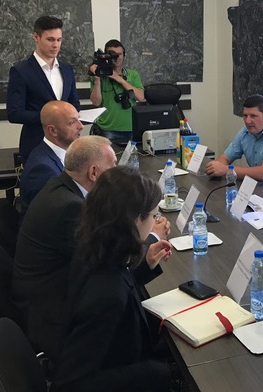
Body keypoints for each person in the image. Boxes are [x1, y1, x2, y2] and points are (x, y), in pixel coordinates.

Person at [11, 135, 171, 362]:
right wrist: (151, 235)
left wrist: (146, 261)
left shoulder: (63, 188)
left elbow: (114, 273)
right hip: (57, 316)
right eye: (113, 164)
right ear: (94, 172)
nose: (117, 170)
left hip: (60, 295)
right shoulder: (71, 208)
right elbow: (109, 270)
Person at [51, 167, 173, 392]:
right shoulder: (107, 294)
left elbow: (119, 284)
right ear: (135, 221)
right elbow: (71, 384)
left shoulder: (94, 249)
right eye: (153, 216)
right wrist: (154, 373)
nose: (155, 221)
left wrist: (145, 265)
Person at [7, 15, 80, 162]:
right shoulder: (21, 71)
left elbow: (74, 104)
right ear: (36, 37)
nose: (56, 45)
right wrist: (52, 118)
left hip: (67, 145)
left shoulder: (67, 69)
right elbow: (14, 113)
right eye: (50, 39)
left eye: (59, 40)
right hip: (36, 144)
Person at [205, 94, 263, 194]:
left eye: (253, 116)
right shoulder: (245, 132)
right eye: (245, 115)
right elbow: (225, 158)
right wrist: (214, 168)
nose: (247, 121)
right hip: (256, 189)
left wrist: (226, 170)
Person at [18, 100, 84, 220]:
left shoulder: (53, 153)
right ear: (52, 131)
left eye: (78, 119)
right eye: (72, 122)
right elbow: (54, 215)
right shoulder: (42, 169)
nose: (81, 126)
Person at [89, 39, 145, 143]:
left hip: (131, 128)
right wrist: (97, 79)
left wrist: (118, 78)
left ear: (124, 55)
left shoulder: (133, 75)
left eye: (120, 54)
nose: (117, 57)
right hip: (107, 129)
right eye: (113, 54)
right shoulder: (101, 76)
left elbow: (141, 97)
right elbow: (96, 102)